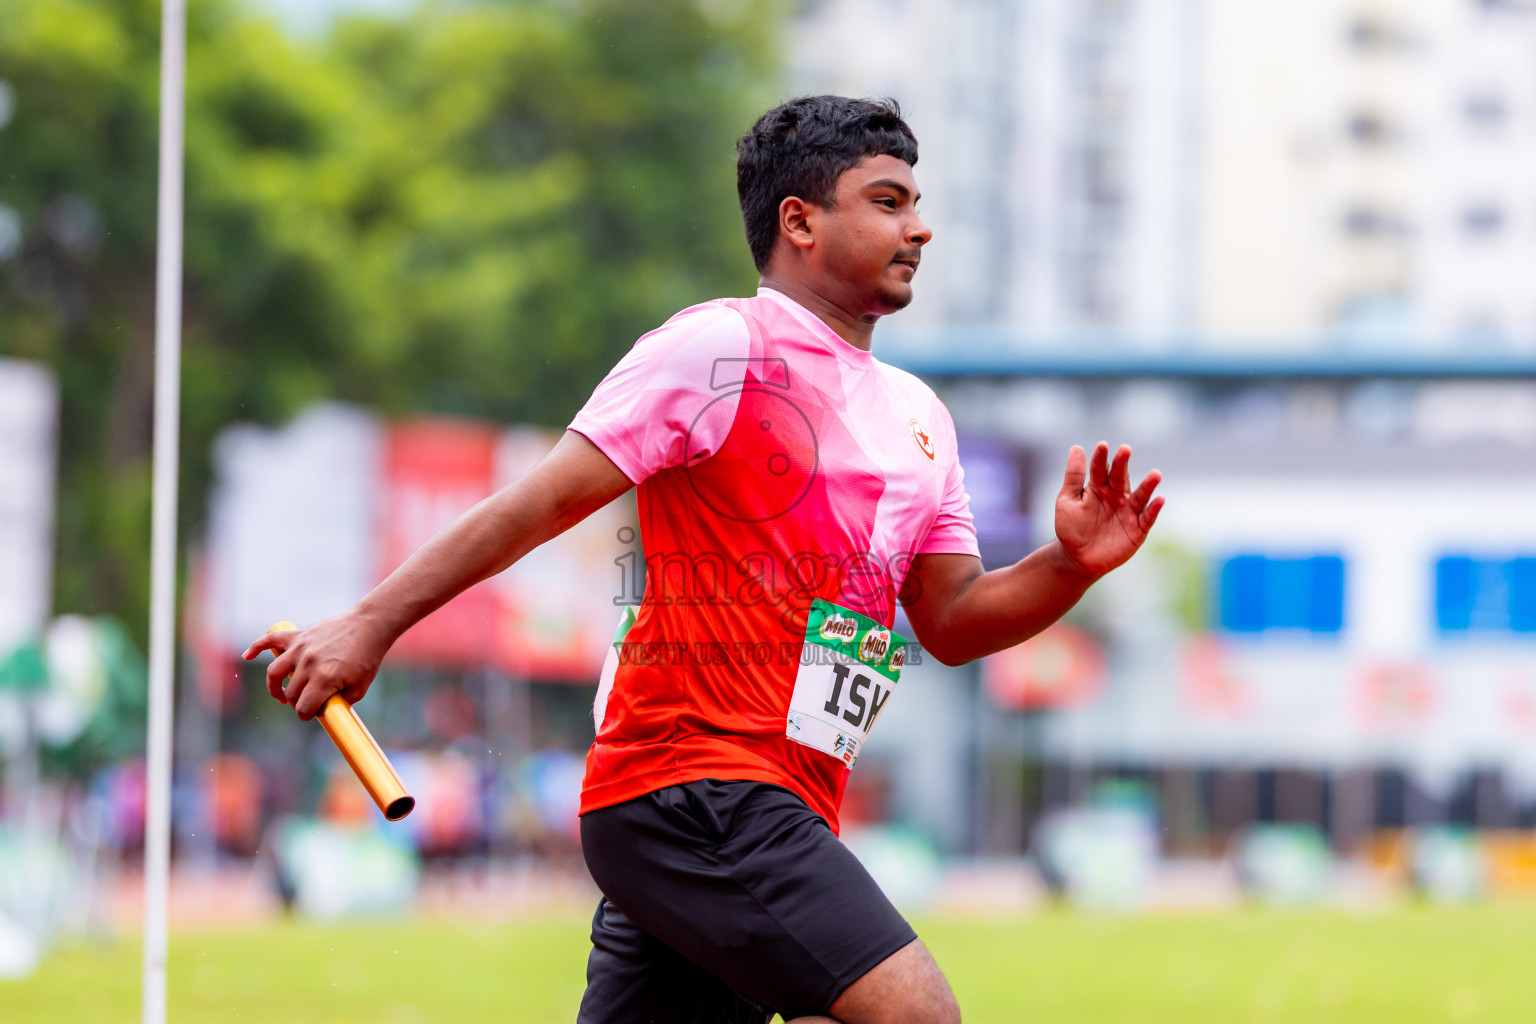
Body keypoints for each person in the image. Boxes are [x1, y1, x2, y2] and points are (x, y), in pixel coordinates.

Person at [246, 95, 1164, 1024]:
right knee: (915, 1018)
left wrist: (1070, 565)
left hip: (783, 802)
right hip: (691, 787)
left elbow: (955, 620)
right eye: (887, 202)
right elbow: (537, 504)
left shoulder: (922, 416)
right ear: (799, 221)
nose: (919, 228)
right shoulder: (719, 346)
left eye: (917, 203)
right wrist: (369, 624)